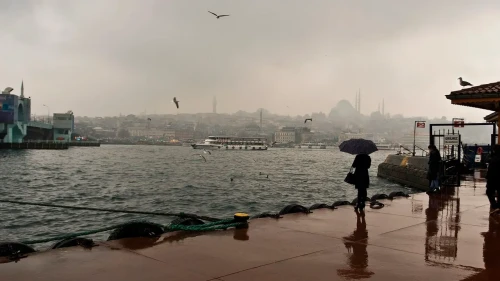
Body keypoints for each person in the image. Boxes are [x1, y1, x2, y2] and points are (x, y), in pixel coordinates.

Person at [486, 145, 500, 211]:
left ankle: (495, 206)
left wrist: (487, 177)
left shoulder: (493, 159)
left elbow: (491, 170)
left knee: (489, 192)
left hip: (492, 178)